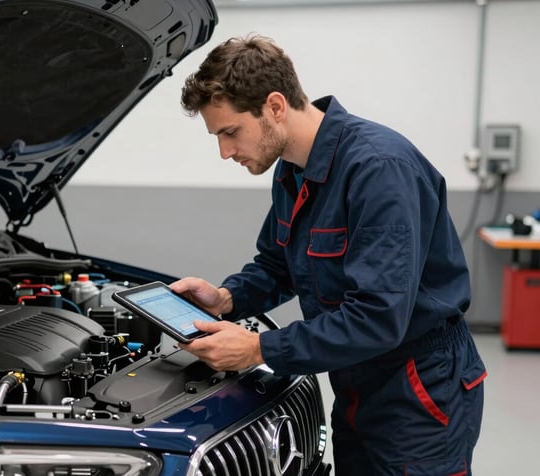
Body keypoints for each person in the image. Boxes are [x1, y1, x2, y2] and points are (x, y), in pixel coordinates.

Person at [171, 34, 486, 476]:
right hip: (354, 378)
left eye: (230, 132)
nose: (224, 152)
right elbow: (277, 264)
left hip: (418, 386)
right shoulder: (292, 170)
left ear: (275, 107)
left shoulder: (378, 170)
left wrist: (258, 348)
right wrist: (226, 299)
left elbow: (378, 317)